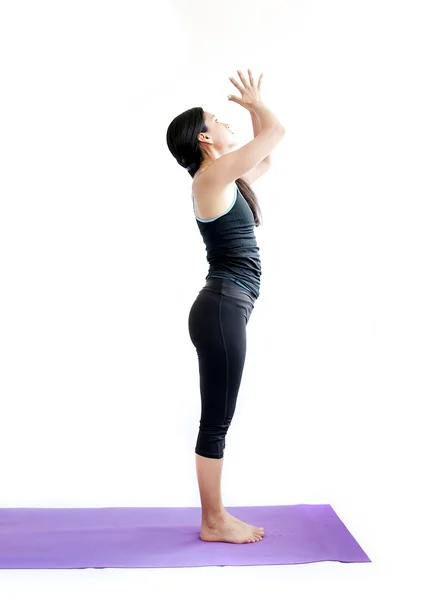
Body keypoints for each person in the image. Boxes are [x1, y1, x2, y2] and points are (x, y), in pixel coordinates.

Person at [166, 69, 285, 543]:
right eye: (219, 120)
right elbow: (275, 131)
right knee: (216, 419)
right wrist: (256, 103)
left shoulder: (223, 178)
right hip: (220, 309)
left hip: (227, 307)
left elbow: (268, 157)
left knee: (219, 416)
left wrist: (256, 116)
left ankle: (216, 516)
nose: (226, 123)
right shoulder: (210, 175)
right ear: (204, 137)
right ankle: (213, 521)